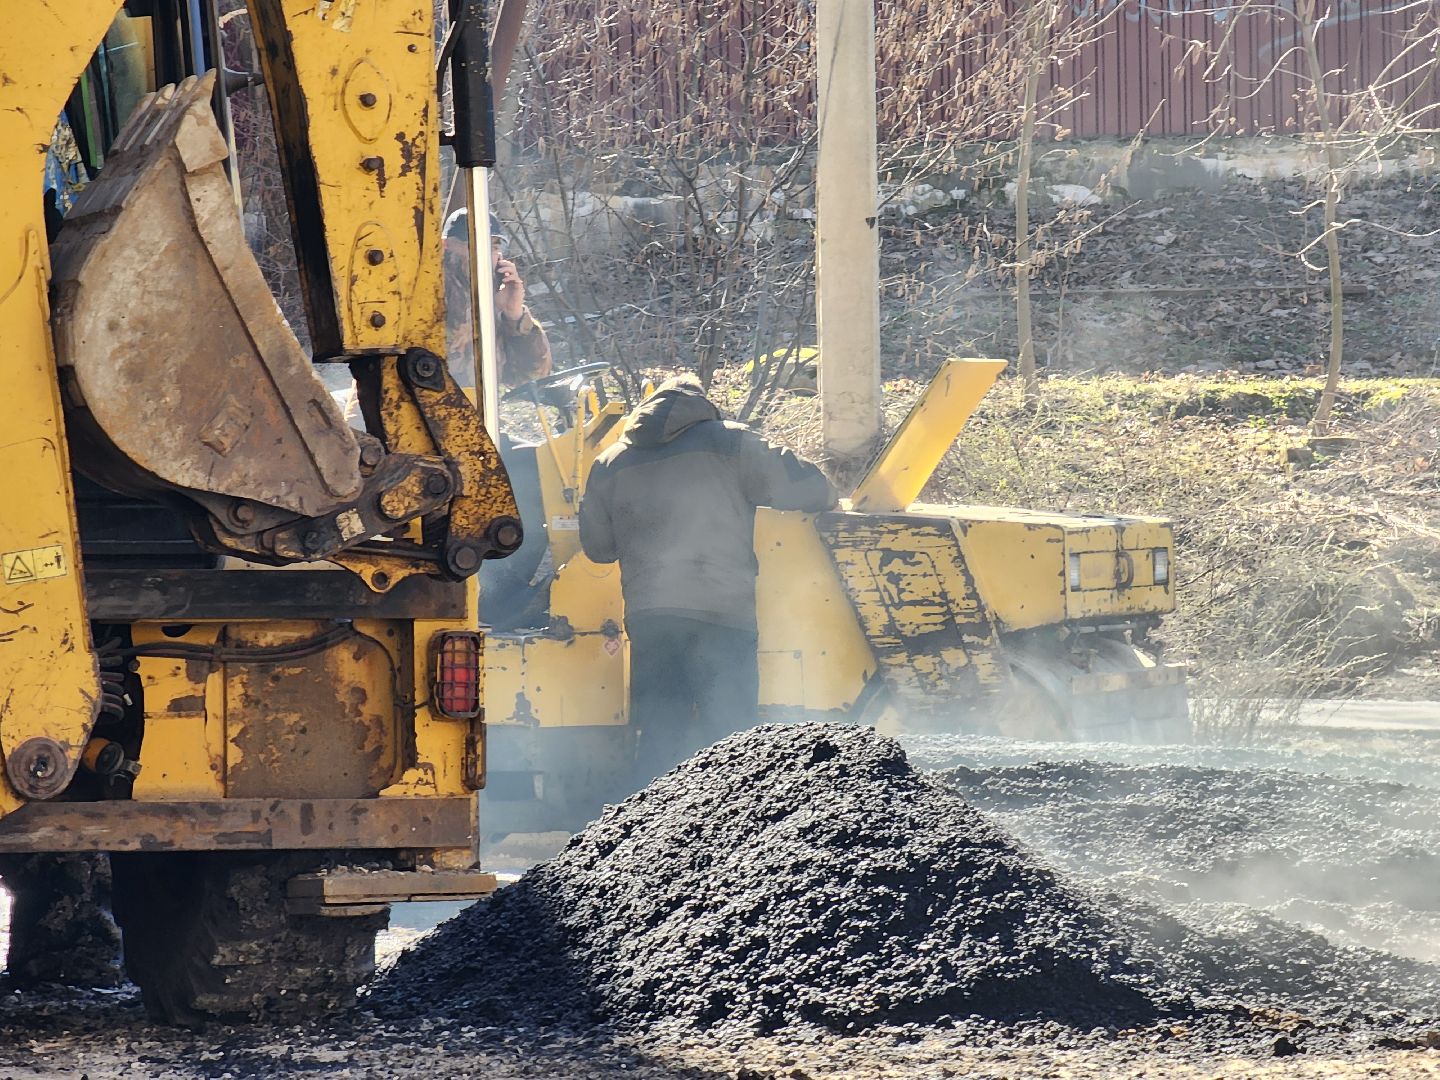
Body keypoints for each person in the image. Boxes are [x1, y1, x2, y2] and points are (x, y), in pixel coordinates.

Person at [578, 374, 837, 781]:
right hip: (722, 613)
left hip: (651, 617)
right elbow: (814, 489)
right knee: (732, 739)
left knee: (660, 736)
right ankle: (733, 814)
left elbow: (597, 548)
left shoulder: (611, 461)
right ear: (703, 406)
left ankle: (652, 816)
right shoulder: (732, 443)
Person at [441, 208, 551, 389]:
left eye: (493, 247)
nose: (485, 254)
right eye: (474, 244)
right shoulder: (431, 289)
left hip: (483, 406)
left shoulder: (492, 298)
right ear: (446, 245)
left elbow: (534, 376)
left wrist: (514, 315)